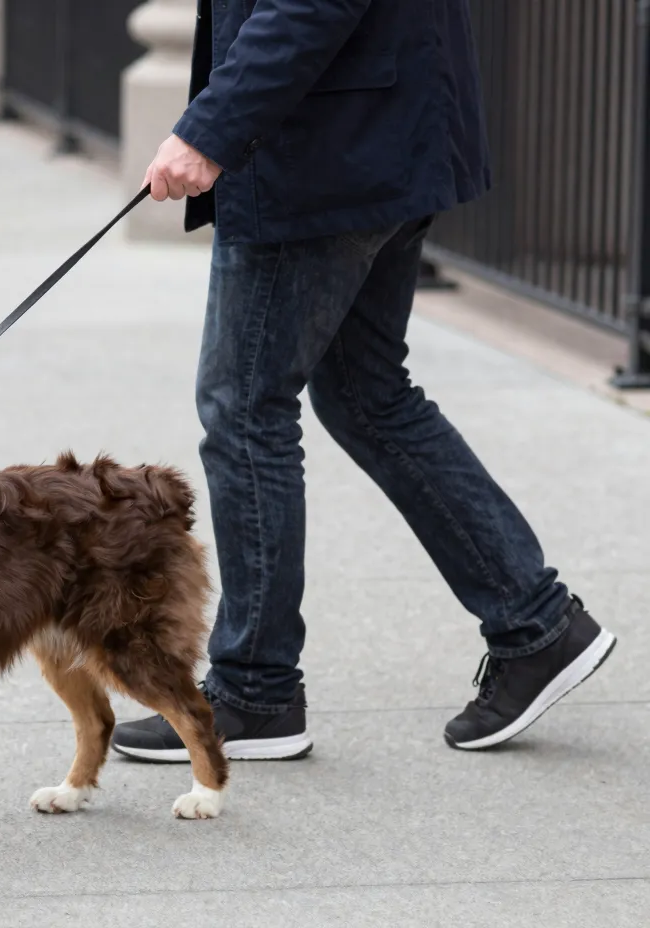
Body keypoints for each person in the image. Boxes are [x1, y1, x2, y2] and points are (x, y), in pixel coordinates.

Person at [109, 0, 617, 761]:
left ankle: (254, 692)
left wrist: (208, 129)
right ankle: (535, 622)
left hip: (321, 155)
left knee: (246, 408)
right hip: (370, 136)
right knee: (364, 393)